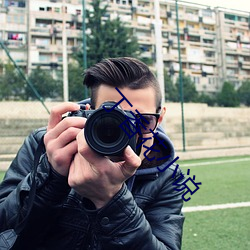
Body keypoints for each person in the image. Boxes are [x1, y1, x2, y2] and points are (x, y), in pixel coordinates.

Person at [0, 57, 185, 250]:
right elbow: (4, 227)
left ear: (159, 118)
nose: (129, 135)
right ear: (90, 113)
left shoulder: (168, 176)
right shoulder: (46, 144)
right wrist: (51, 177)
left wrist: (112, 199)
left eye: (143, 122)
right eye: (114, 120)